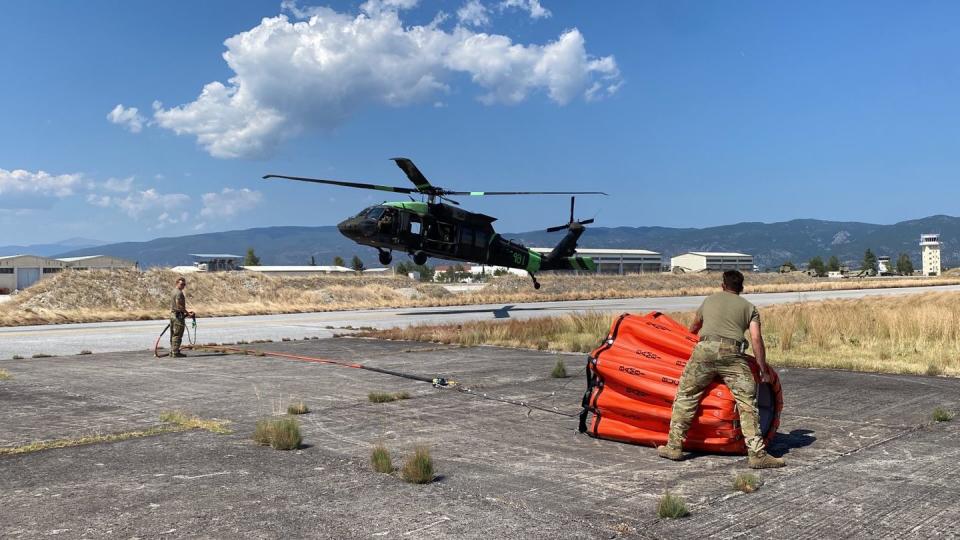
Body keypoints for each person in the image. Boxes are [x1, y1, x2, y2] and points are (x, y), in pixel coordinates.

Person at [657, 270, 785, 469]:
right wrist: (762, 369)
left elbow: (694, 327)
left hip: (704, 351)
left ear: (723, 285)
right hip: (732, 354)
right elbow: (756, 339)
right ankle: (757, 455)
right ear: (741, 288)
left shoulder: (709, 300)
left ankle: (674, 446)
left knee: (686, 395)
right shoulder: (749, 308)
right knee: (747, 402)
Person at [169, 276, 195, 358]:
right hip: (178, 316)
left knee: (173, 334)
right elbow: (179, 305)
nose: (183, 286)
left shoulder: (173, 291)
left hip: (173, 315)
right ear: (177, 283)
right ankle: (175, 352)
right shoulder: (179, 293)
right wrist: (188, 313)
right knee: (178, 334)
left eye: (184, 284)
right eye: (182, 284)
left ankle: (172, 351)